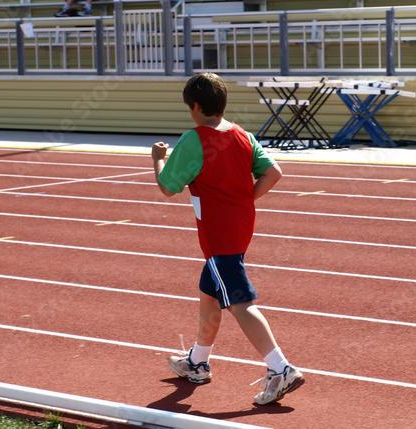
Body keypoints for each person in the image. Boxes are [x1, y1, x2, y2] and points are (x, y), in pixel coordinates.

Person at [151, 72, 305, 405]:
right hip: (239, 226)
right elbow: (274, 172)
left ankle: (280, 368)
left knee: (239, 302)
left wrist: (158, 159)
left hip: (219, 236)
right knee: (210, 294)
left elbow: (167, 186)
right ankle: (197, 361)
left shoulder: (195, 139)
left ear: (194, 107)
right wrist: (245, 198)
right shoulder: (243, 136)